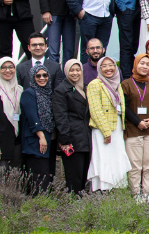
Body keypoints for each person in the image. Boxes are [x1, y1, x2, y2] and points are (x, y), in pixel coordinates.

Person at [86, 57, 132, 191]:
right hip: (102, 129)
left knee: (117, 157)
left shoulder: (118, 84)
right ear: (99, 69)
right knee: (104, 158)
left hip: (117, 127)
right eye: (104, 66)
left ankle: (117, 189)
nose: (108, 69)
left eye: (111, 65)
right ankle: (103, 189)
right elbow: (95, 110)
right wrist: (106, 132)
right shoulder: (95, 84)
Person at [122, 54, 149, 201]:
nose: (145, 66)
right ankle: (136, 194)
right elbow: (124, 107)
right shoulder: (126, 84)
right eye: (142, 63)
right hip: (133, 130)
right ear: (135, 65)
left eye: (147, 64)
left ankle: (146, 193)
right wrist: (137, 122)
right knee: (135, 166)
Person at [53, 59, 92, 194]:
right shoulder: (61, 90)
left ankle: (79, 204)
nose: (75, 73)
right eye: (72, 70)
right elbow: (61, 117)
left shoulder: (85, 87)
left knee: (83, 175)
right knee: (73, 176)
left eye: (78, 70)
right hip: (72, 139)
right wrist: (65, 141)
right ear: (66, 71)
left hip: (86, 137)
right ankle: (73, 205)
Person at [20, 64, 55, 195]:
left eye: (45, 75)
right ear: (32, 77)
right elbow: (31, 117)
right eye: (38, 75)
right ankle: (38, 206)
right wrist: (41, 137)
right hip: (35, 141)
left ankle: (44, 205)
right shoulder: (28, 93)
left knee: (46, 175)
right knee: (39, 176)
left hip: (47, 139)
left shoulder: (47, 93)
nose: (42, 78)